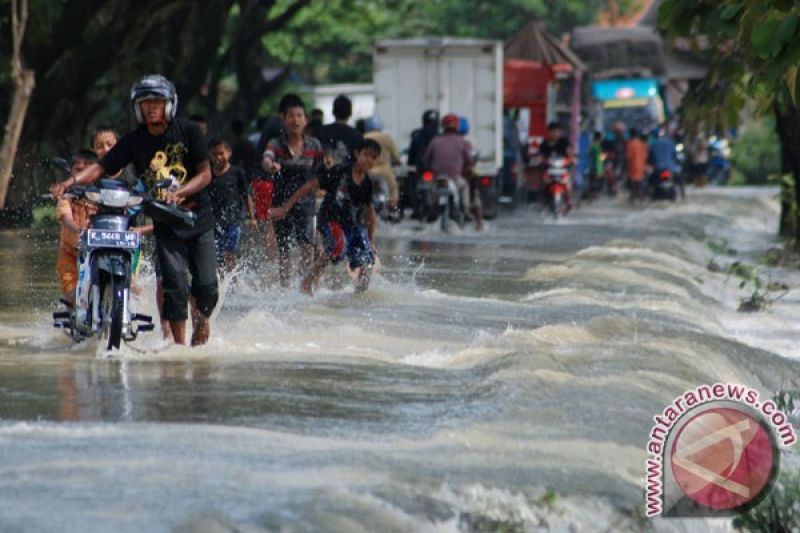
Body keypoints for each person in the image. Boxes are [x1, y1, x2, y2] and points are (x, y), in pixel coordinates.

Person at [50, 74, 218, 346]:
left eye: (157, 102)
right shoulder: (133, 141)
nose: (152, 107)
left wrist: (181, 192)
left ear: (170, 104)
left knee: (207, 287)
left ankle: (203, 319)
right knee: (174, 284)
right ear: (137, 108)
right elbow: (100, 167)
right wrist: (69, 182)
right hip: (165, 221)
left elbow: (205, 174)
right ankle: (179, 347)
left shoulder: (189, 132)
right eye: (146, 103)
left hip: (197, 217)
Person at [269, 138, 380, 295]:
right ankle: (306, 284)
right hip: (330, 220)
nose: (369, 160)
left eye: (373, 158)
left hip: (352, 224)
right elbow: (309, 186)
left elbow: (371, 212)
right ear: (357, 154)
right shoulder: (340, 171)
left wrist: (371, 240)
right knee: (336, 246)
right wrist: (285, 208)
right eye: (366, 155)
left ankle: (359, 295)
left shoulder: (367, 183)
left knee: (368, 258)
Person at [261, 93, 324, 288]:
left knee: (307, 246)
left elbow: (320, 175)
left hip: (306, 204)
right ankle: (285, 288)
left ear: (305, 120)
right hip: (281, 203)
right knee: (284, 250)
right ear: (283, 119)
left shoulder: (314, 145)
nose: (295, 120)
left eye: (299, 116)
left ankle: (305, 288)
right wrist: (270, 166)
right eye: (291, 116)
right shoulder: (276, 144)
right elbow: (266, 158)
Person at [54, 151, 98, 305]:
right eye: (79, 171)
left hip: (99, 251)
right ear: (71, 173)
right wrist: (80, 230)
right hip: (70, 253)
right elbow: (66, 218)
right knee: (71, 291)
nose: (84, 176)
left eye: (88, 171)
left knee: (130, 284)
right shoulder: (66, 197)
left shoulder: (103, 197)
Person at [207, 137, 256, 273]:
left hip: (233, 221)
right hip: (214, 222)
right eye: (214, 154)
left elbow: (246, 195)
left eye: (221, 153)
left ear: (229, 153)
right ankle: (222, 281)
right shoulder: (208, 174)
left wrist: (252, 217)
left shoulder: (237, 172)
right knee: (217, 256)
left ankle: (231, 281)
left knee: (229, 253)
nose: (218, 157)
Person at [423, 113, 474, 224]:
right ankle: (466, 211)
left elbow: (426, 159)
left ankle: (431, 209)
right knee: (465, 186)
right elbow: (470, 161)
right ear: (457, 126)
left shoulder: (435, 141)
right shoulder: (462, 142)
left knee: (429, 189)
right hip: (455, 179)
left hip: (438, 179)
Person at [363, 116, 401, 215]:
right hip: (385, 170)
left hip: (369, 170)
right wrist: (397, 161)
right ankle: (393, 206)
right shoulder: (387, 138)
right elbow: (396, 157)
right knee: (394, 188)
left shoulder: (364, 137)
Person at [316, 94, 363, 166]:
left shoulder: (320, 132)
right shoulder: (357, 135)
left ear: (333, 112)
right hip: (349, 175)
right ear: (350, 113)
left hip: (325, 175)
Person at [538, 121, 574, 209]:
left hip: (563, 169)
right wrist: (542, 160)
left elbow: (570, 154)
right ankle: (543, 201)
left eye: (557, 131)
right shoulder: (544, 144)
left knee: (567, 183)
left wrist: (572, 159)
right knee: (543, 182)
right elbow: (541, 156)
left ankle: (569, 201)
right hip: (549, 169)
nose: (555, 133)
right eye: (553, 131)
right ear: (549, 132)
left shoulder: (564, 142)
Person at [648, 125, 685, 200]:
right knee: (680, 183)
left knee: (650, 184)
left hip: (658, 169)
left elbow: (650, 158)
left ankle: (647, 197)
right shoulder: (671, 143)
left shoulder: (653, 145)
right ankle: (683, 196)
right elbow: (675, 156)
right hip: (671, 168)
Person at [625, 127, 649, 204]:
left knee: (633, 186)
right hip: (641, 167)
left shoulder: (630, 143)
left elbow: (628, 156)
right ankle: (641, 199)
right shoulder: (642, 144)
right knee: (639, 184)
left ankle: (633, 199)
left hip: (632, 167)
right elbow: (645, 156)